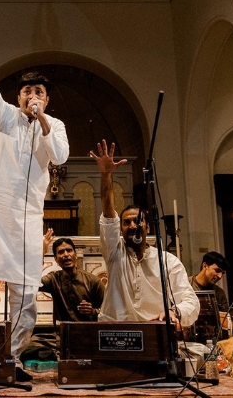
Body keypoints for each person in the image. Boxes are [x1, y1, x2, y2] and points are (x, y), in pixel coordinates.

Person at [0, 8, 70, 382]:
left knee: (25, 296)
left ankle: (12, 357)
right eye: (26, 92)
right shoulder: (4, 117)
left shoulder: (54, 126)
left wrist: (41, 121)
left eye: (38, 92)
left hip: (25, 221)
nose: (32, 96)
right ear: (18, 97)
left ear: (46, 99)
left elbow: (60, 155)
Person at [90, 140, 199, 327]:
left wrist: (174, 311)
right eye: (126, 222)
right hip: (114, 329)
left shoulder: (167, 262)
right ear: (120, 228)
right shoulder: (115, 253)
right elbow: (108, 215)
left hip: (153, 331)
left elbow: (191, 301)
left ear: (148, 227)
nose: (132, 225)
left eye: (137, 220)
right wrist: (106, 175)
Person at [40, 233, 105, 325]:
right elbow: (33, 283)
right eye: (61, 252)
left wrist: (93, 311)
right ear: (56, 259)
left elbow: (108, 312)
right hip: (61, 334)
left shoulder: (93, 281)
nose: (66, 254)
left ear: (75, 255)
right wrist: (41, 253)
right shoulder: (53, 279)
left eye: (69, 250)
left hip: (87, 334)